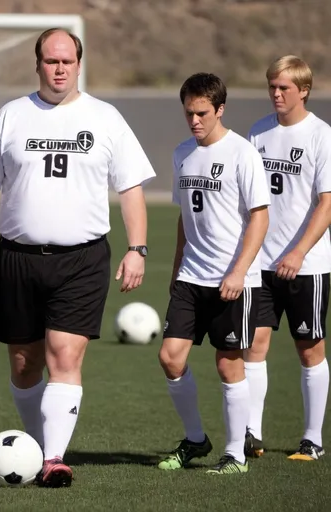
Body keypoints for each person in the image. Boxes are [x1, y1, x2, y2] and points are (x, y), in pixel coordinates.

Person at [0, 28, 155, 487]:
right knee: (24, 364)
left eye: (67, 60)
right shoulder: (11, 115)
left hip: (82, 260)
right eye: (51, 61)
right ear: (39, 64)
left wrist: (137, 248)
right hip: (17, 258)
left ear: (79, 64)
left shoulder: (106, 118)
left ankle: (53, 458)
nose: (60, 68)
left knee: (64, 353)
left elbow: (130, 189)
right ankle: (35, 448)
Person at [157, 73, 270, 474]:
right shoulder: (181, 154)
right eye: (188, 112)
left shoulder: (243, 153)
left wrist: (239, 272)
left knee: (228, 365)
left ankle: (235, 454)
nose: (194, 121)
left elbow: (260, 218)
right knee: (170, 358)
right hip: (191, 276)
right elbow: (185, 219)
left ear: (220, 109)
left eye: (202, 112)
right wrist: (176, 267)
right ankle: (195, 439)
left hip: (233, 280)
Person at [244, 55, 331, 461]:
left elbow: (326, 205)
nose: (276, 94)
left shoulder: (321, 136)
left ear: (304, 91)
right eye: (272, 87)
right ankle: (252, 436)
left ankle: (312, 440)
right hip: (260, 264)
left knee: (309, 348)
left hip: (306, 267)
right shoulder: (258, 132)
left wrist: (297, 252)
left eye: (284, 88)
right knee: (254, 343)